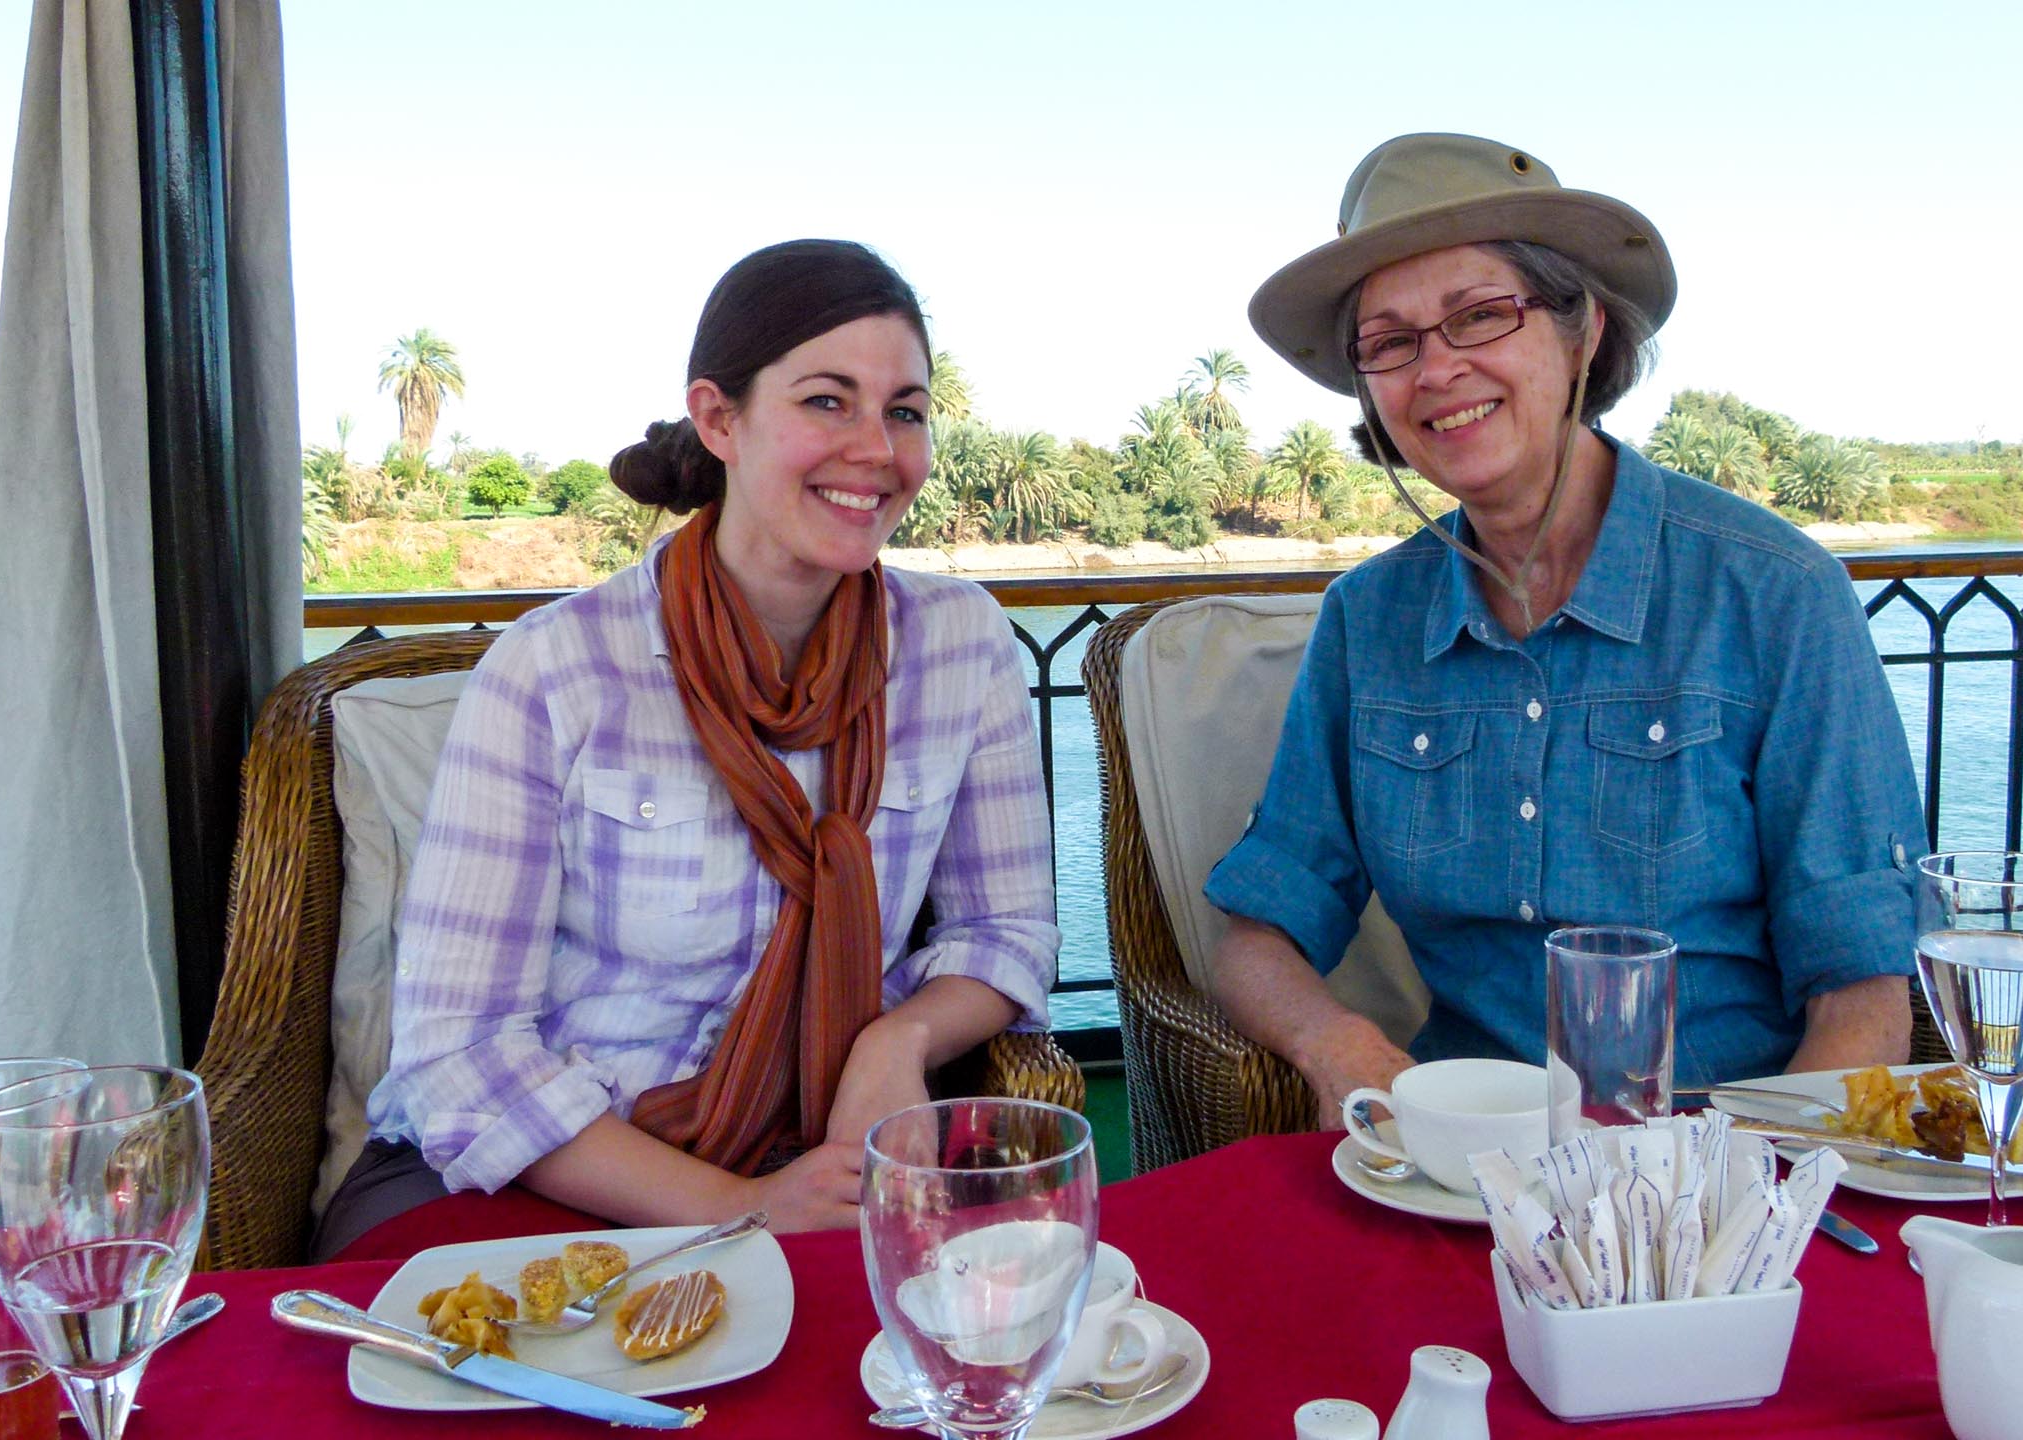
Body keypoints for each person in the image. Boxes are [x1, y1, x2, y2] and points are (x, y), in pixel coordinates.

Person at [317, 240, 1059, 1258]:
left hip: (825, 1157)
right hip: (556, 1170)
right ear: (719, 419)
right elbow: (461, 1050)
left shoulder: (959, 646)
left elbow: (1007, 932)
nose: (877, 450)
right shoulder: (557, 670)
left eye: (904, 411)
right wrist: (739, 1210)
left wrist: (902, 1038)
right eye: (826, 402)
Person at [1203, 133, 1927, 1124]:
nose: (1437, 370)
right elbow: (1255, 936)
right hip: (1459, 1166)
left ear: (1581, 330)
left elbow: (1863, 990)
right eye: (1391, 341)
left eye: (1480, 316)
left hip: (1722, 1158)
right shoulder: (1365, 623)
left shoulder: (1776, 595)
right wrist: (1337, 1046)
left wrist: (1754, 1193)